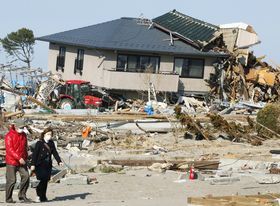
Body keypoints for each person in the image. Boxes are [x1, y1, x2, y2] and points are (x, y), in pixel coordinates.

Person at [30, 127, 63, 202]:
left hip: (48, 164)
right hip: (40, 164)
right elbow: (35, 154)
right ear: (44, 134)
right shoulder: (39, 143)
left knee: (45, 181)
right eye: (48, 134)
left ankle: (43, 197)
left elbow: (55, 152)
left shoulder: (51, 143)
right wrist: (33, 164)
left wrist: (59, 161)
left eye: (50, 134)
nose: (49, 136)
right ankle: (39, 195)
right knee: (42, 180)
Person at [5, 119, 32, 203]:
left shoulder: (24, 135)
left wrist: (26, 158)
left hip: (22, 161)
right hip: (12, 162)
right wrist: (19, 158)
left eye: (23, 127)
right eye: (21, 127)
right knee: (12, 180)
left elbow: (24, 148)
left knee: (26, 177)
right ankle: (8, 198)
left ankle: (22, 195)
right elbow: (10, 150)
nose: (23, 128)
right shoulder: (9, 136)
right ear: (16, 127)